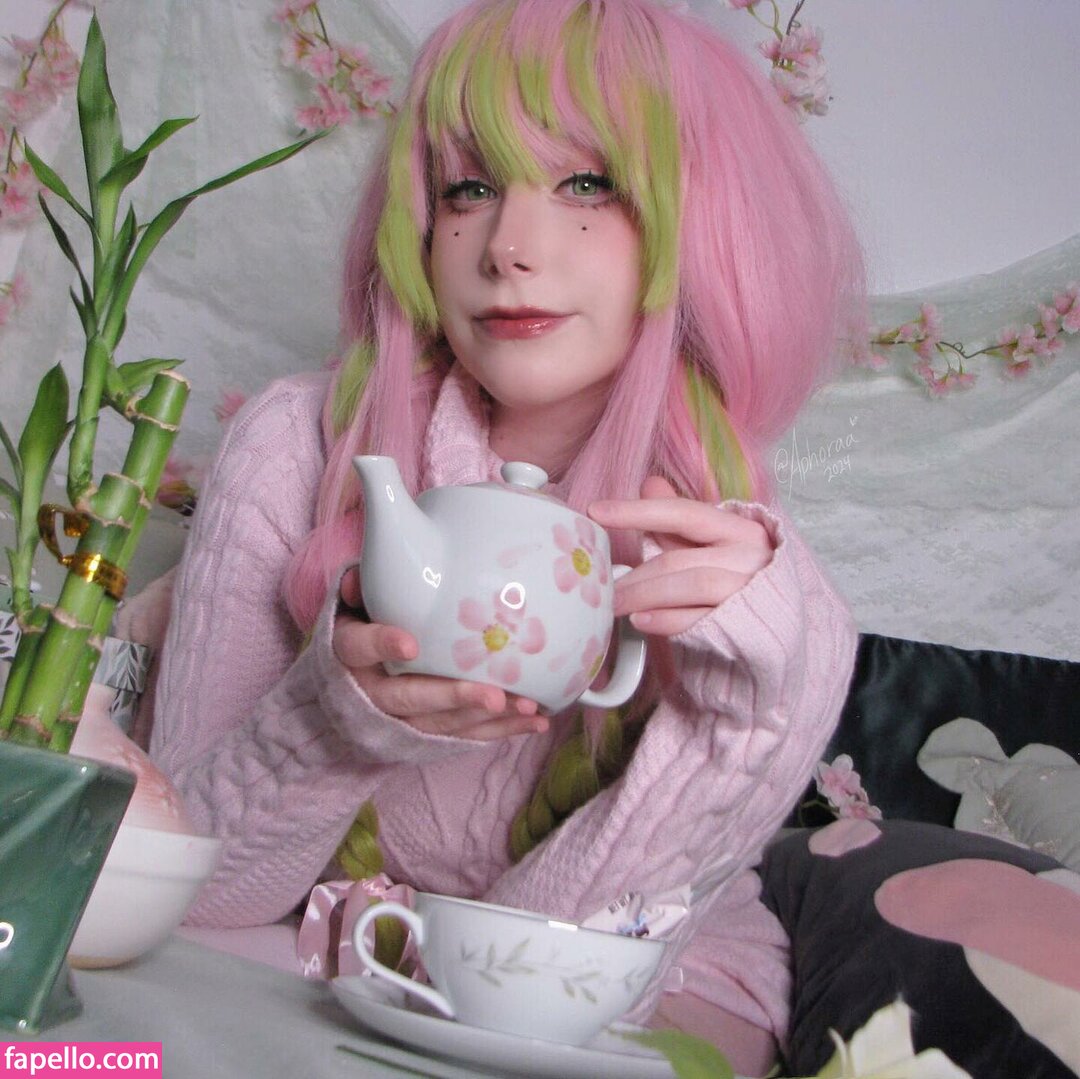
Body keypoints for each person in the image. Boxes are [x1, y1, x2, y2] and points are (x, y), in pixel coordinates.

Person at [148, 0, 864, 1072]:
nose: (510, 250)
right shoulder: (297, 446)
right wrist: (335, 721)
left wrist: (749, 731)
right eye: (469, 188)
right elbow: (183, 890)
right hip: (303, 951)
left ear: (703, 226)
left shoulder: (751, 579)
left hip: (639, 989)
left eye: (589, 184)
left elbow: (543, 989)